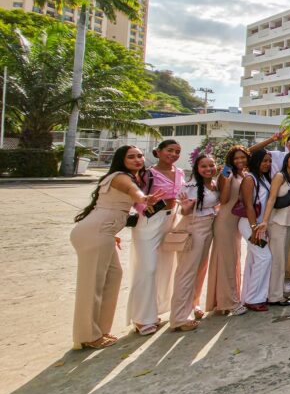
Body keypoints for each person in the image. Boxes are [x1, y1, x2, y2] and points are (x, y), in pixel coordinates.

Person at [70, 146, 156, 349]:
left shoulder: (129, 176)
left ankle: (100, 330)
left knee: (113, 277)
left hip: (103, 234)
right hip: (95, 234)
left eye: (140, 156)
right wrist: (143, 198)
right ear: (121, 160)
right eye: (131, 157)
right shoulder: (120, 177)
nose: (137, 159)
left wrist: (113, 233)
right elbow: (132, 191)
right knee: (92, 285)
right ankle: (87, 336)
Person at [127, 139, 184, 335]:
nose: (174, 154)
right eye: (169, 150)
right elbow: (135, 198)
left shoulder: (180, 172)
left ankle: (154, 311)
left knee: (165, 267)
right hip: (150, 222)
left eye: (177, 151)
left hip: (171, 220)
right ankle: (142, 318)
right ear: (158, 152)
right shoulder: (147, 173)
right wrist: (146, 207)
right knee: (147, 268)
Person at [170, 153, 220, 332]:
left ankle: (193, 304)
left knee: (200, 269)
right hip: (194, 228)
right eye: (203, 166)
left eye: (211, 165)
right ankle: (179, 318)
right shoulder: (191, 186)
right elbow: (184, 210)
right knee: (186, 272)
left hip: (208, 228)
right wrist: (185, 209)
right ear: (197, 168)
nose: (208, 169)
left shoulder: (214, 184)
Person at [207, 145, 248, 315]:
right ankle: (229, 303)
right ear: (230, 160)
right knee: (226, 262)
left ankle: (223, 300)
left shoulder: (243, 174)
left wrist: (272, 139)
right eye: (236, 158)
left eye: (242, 157)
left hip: (236, 222)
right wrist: (227, 180)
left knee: (232, 260)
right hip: (225, 221)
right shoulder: (227, 174)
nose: (240, 160)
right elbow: (223, 200)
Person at [261, 150, 290, 307]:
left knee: (282, 259)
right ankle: (274, 296)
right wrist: (265, 221)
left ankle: (277, 293)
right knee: (277, 260)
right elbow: (271, 199)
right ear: (287, 160)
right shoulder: (279, 176)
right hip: (276, 221)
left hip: (287, 221)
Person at [239, 149, 273, 312]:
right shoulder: (249, 178)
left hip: (259, 225)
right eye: (264, 161)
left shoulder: (263, 178)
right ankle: (253, 299)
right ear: (256, 161)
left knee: (253, 260)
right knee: (264, 257)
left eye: (269, 161)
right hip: (249, 224)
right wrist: (253, 228)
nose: (267, 164)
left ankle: (250, 296)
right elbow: (248, 205)